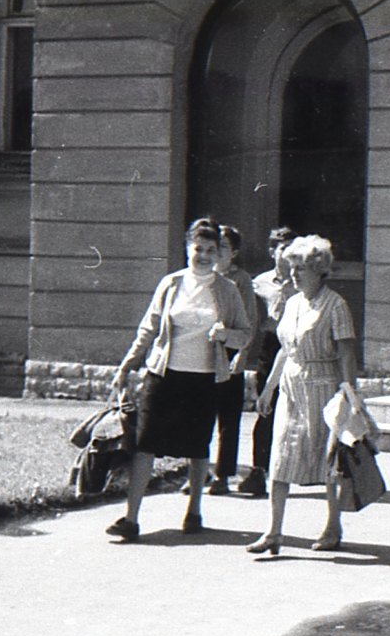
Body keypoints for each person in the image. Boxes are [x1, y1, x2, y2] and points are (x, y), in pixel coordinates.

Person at [106, 217, 251, 541]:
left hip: (203, 379)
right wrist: (126, 366)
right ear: (188, 249)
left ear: (218, 254)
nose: (203, 256)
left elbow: (244, 335)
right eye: (198, 249)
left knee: (198, 447)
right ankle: (131, 519)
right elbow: (148, 328)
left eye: (211, 250)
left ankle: (194, 512)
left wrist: (225, 334)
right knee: (144, 444)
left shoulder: (227, 290)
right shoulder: (171, 284)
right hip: (164, 375)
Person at [248, 234, 365, 555]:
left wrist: (350, 394)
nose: (294, 274)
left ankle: (332, 526)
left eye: (300, 269)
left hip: (323, 387)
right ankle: (273, 532)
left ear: (319, 269)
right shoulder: (293, 303)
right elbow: (285, 350)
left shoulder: (336, 305)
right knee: (280, 457)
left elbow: (346, 354)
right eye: (291, 268)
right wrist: (269, 388)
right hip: (291, 387)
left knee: (326, 461)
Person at [199, 223, 259, 496]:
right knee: (200, 417)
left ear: (233, 252)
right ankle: (197, 473)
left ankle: (222, 476)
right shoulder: (202, 276)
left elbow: (249, 321)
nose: (217, 253)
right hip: (202, 356)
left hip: (231, 354)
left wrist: (242, 357)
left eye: (222, 247)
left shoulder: (241, 280)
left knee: (227, 419)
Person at [238, 225, 296, 498]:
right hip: (271, 346)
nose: (288, 255)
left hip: (297, 348)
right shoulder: (258, 283)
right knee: (266, 407)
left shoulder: (303, 281)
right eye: (283, 249)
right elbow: (251, 319)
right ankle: (259, 471)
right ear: (272, 251)